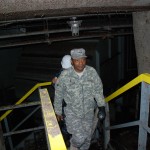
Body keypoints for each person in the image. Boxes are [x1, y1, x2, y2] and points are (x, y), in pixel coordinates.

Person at [54, 48, 106, 150]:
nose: (80, 63)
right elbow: (58, 95)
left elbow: (98, 90)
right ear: (72, 62)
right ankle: (73, 146)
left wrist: (101, 107)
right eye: (77, 60)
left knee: (87, 138)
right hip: (72, 113)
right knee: (79, 138)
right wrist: (58, 112)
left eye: (83, 60)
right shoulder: (65, 75)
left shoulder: (92, 72)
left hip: (88, 112)